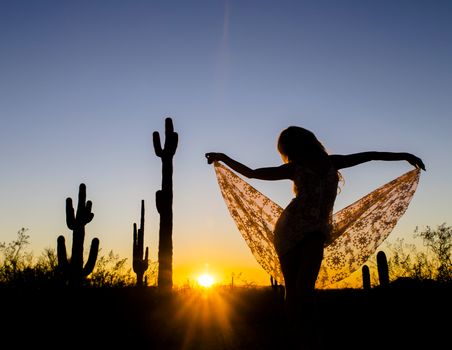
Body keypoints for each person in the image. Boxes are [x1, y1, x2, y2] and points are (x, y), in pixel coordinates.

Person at [205, 126, 425, 349]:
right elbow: (252, 172)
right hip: (289, 229)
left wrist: (405, 156)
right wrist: (223, 158)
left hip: (316, 231)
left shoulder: (332, 162)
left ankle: (306, 335)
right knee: (293, 289)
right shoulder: (294, 168)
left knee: (304, 288)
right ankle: (296, 337)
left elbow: (370, 156)